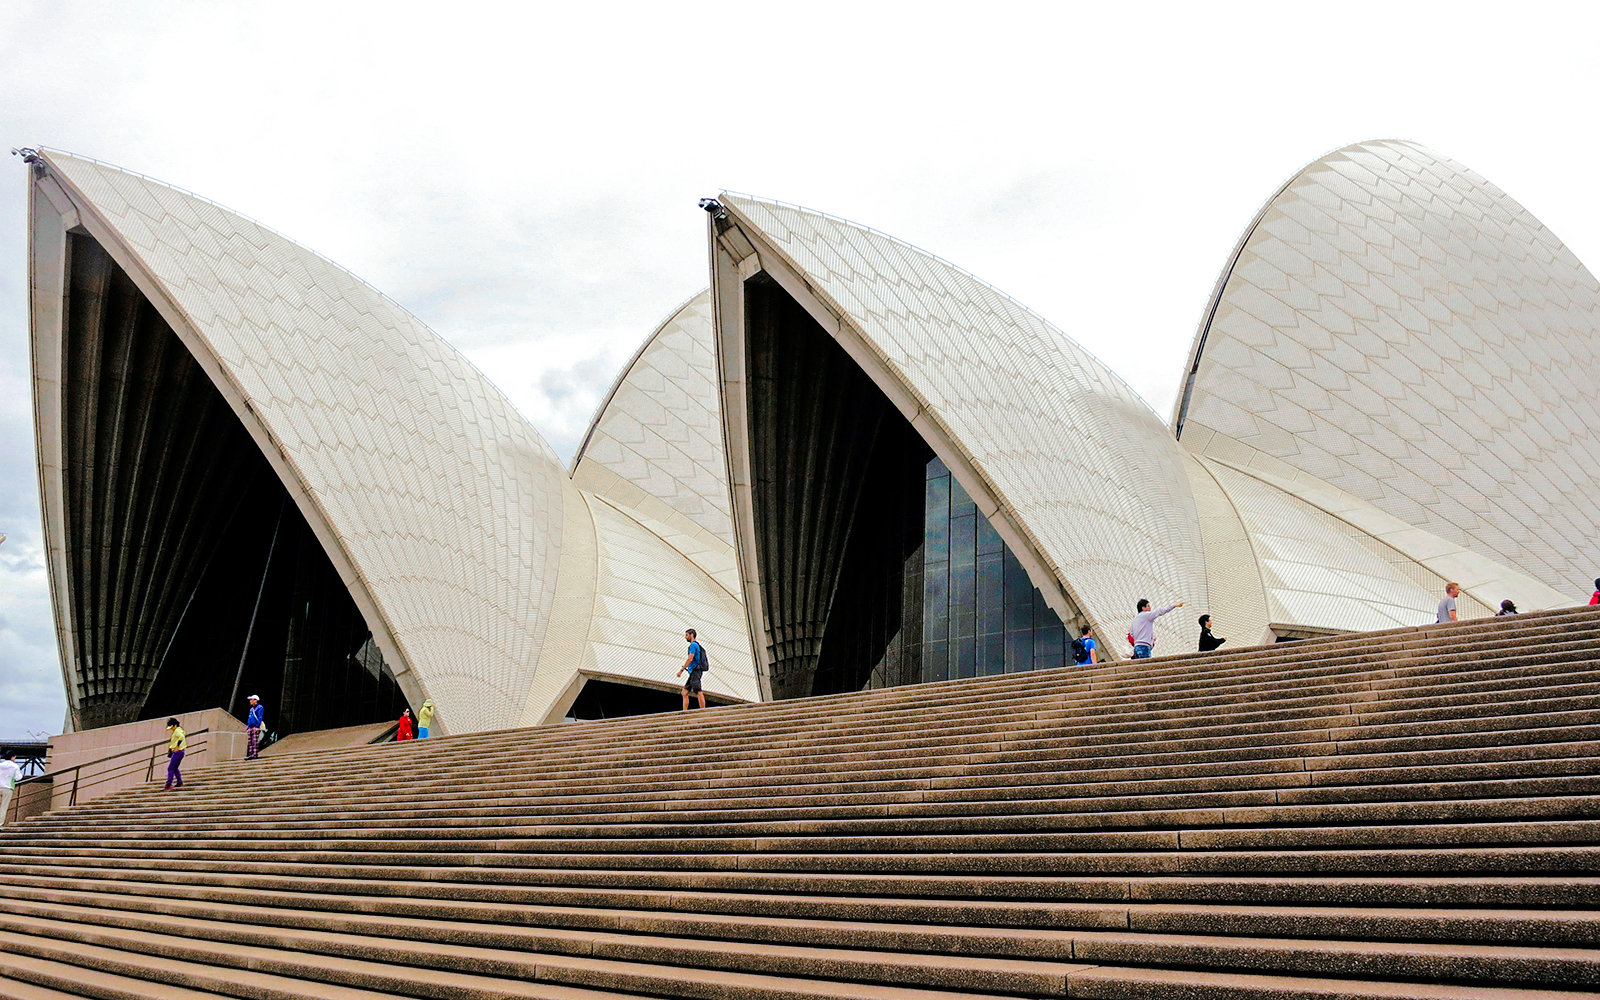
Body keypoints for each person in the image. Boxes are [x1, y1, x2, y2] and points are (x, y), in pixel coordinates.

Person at [677, 628, 708, 710]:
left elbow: (690, 658)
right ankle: (684, 712)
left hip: (696, 670)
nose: (685, 637)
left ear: (691, 635)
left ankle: (703, 710)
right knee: (684, 692)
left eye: (686, 635)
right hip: (694, 671)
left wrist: (682, 670)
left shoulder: (693, 645)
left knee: (698, 691)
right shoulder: (696, 645)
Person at [0, 751, 21, 826]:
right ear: (12, 757)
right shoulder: (15, 766)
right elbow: (18, 778)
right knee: (3, 808)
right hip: (8, 788)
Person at [164, 719, 186, 790]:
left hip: (177, 752)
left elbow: (181, 737)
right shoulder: (177, 731)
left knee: (170, 768)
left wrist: (177, 746)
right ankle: (179, 782)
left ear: (175, 725)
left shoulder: (177, 731)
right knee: (175, 768)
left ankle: (169, 783)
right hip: (178, 752)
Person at [244, 695, 265, 760]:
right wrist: (248, 726)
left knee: (254, 741)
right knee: (250, 741)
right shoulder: (251, 709)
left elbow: (260, 717)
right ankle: (250, 754)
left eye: (251, 699)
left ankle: (254, 754)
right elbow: (249, 718)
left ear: (256, 700)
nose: (250, 701)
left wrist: (257, 726)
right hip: (250, 726)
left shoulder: (260, 707)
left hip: (255, 726)